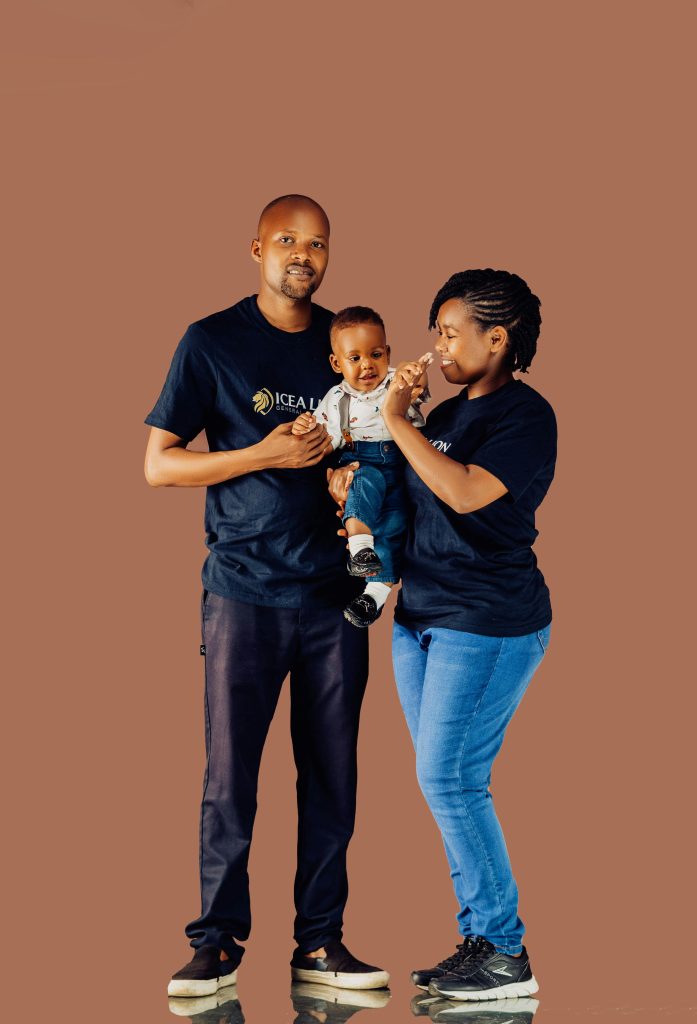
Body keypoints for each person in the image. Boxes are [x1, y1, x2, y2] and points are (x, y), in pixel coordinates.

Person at [144, 194, 389, 998]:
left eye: (316, 244)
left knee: (332, 776)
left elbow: (375, 437)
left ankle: (319, 944)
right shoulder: (211, 341)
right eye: (287, 240)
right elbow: (159, 465)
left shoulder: (346, 344)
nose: (302, 255)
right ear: (257, 249)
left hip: (333, 597)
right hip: (242, 591)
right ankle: (216, 943)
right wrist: (264, 455)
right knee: (228, 780)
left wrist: (348, 475)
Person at [329, 269, 556, 1002]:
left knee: (450, 779)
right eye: (436, 332)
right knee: (447, 783)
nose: (438, 347)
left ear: (498, 339)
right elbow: (409, 490)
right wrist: (354, 483)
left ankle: (504, 952)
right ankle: (481, 942)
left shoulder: (527, 415)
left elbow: (462, 491)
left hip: (487, 622)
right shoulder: (448, 412)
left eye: (451, 333)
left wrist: (396, 419)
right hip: (420, 619)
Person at [291, 305, 431, 627]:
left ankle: (375, 595)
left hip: (402, 466)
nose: (367, 364)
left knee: (393, 526)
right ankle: (359, 547)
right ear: (336, 363)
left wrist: (413, 373)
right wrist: (303, 428)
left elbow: (418, 387)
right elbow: (323, 439)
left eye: (376, 355)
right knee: (363, 485)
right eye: (354, 358)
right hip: (362, 461)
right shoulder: (336, 398)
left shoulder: (396, 381)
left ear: (388, 354)